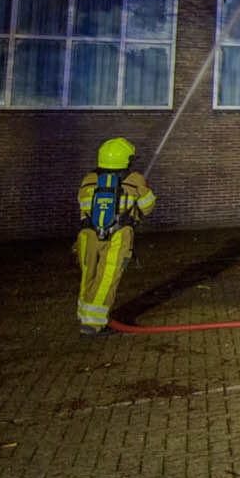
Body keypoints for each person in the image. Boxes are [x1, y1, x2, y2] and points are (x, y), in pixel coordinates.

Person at [75, 137, 155, 335]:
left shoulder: (89, 179)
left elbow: (83, 205)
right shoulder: (134, 179)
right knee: (107, 276)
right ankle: (94, 324)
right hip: (118, 235)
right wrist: (143, 189)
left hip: (88, 235)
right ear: (125, 160)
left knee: (89, 275)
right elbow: (148, 206)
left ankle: (85, 316)